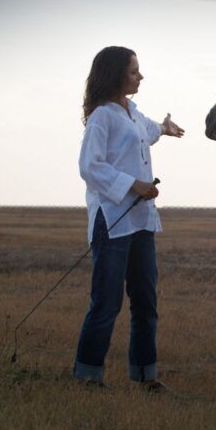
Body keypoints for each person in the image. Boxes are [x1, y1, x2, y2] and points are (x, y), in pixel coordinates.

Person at [74, 46, 184, 390]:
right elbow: (89, 167)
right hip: (112, 221)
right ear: (116, 74)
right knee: (107, 303)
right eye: (134, 71)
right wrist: (133, 185)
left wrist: (165, 128)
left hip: (142, 221)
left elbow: (149, 131)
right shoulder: (102, 117)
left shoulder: (133, 113)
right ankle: (88, 376)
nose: (140, 76)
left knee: (146, 302)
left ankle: (145, 376)